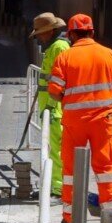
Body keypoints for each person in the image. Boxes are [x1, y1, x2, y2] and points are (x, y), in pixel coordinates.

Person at [47, 13, 112, 223]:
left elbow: (54, 92)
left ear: (71, 34)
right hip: (102, 121)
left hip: (74, 123)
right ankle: (111, 217)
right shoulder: (110, 55)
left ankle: (70, 218)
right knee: (106, 168)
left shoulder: (65, 57)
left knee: (72, 170)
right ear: (92, 32)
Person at [30, 12, 70, 196]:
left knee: (56, 150)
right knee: (52, 148)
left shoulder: (59, 47)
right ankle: (56, 185)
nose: (38, 37)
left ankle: (58, 188)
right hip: (50, 107)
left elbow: (62, 80)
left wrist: (52, 106)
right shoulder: (54, 47)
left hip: (54, 108)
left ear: (50, 31)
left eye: (39, 33)